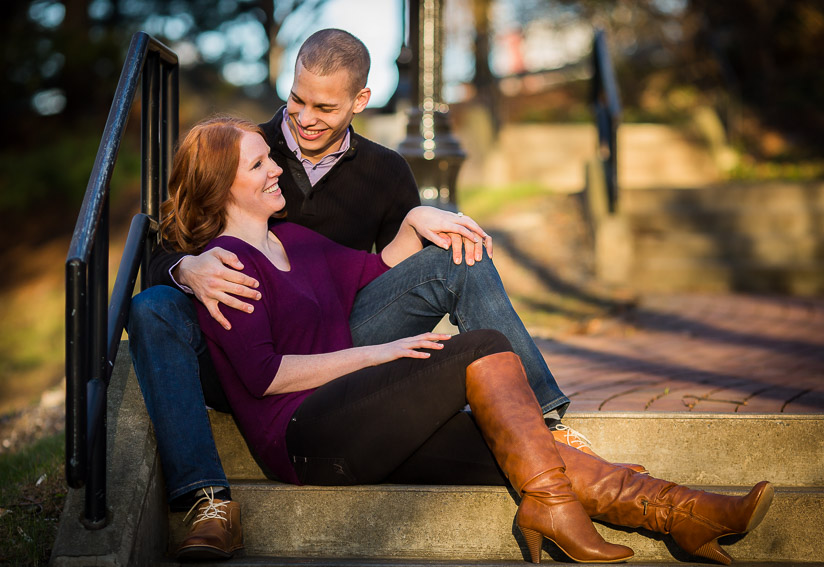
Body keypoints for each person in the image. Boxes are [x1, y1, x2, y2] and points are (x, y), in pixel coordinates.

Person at [167, 115, 774, 565]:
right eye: (258, 164)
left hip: (362, 421)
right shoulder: (225, 266)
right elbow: (265, 377)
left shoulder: (295, 241)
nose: (277, 167)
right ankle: (558, 510)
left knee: (520, 446)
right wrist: (376, 354)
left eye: (269, 158)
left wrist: (415, 220)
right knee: (481, 345)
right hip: (302, 438)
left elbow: (378, 278)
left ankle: (682, 513)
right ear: (223, 186)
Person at [128, 28, 584, 559]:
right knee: (154, 304)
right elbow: (165, 244)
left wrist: (416, 219)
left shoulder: (385, 170)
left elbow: (380, 271)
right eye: (296, 99)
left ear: (359, 101)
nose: (303, 118)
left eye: (324, 106)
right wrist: (187, 267)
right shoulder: (244, 151)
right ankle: (207, 500)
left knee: (460, 257)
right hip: (241, 343)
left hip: (341, 329)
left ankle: (544, 419)